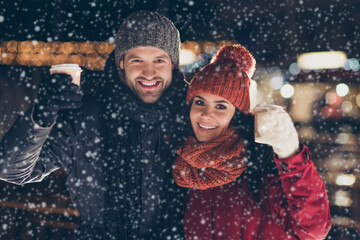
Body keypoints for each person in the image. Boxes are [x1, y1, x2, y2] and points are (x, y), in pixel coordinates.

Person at [0, 11, 188, 239]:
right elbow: (11, 171)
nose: (149, 72)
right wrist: (40, 117)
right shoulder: (86, 117)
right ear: (121, 62)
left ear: (173, 64)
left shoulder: (192, 116)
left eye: (159, 60)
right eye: (137, 60)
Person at [173, 44, 332, 239]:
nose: (206, 115)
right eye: (200, 102)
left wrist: (291, 154)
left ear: (237, 114)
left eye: (221, 106)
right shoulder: (181, 163)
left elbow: (313, 229)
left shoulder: (260, 161)